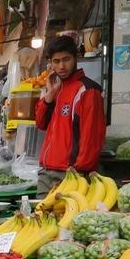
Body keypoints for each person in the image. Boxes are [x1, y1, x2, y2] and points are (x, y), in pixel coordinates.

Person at [34, 35, 106, 197]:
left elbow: (91, 137)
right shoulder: (56, 87)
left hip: (70, 174)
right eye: (56, 61)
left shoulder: (88, 90)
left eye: (66, 59)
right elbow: (40, 123)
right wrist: (49, 95)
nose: (61, 66)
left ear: (76, 57)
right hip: (46, 171)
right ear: (50, 63)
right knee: (41, 219)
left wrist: (79, 173)